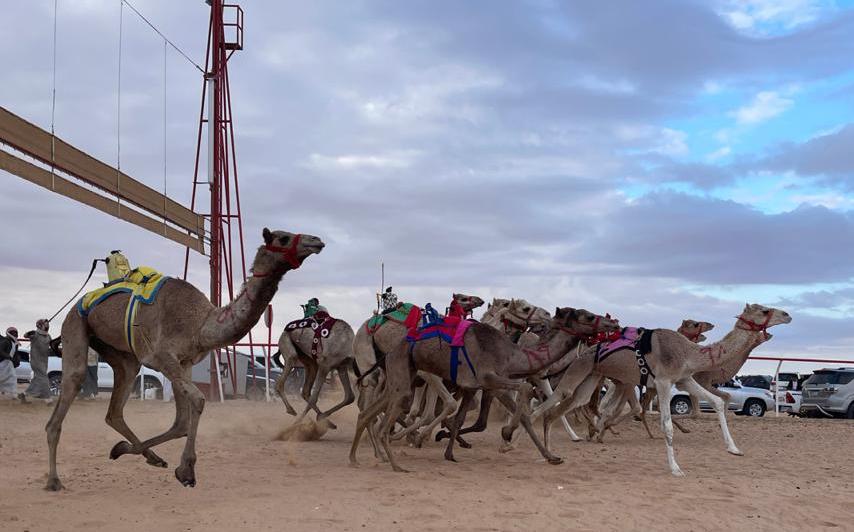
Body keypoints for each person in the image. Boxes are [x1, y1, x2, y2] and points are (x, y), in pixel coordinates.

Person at [19, 319, 52, 403]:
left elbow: (51, 345)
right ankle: (48, 399)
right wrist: (29, 333)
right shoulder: (35, 334)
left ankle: (24, 394)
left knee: (37, 379)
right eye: (45, 324)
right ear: (40, 325)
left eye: (48, 324)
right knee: (44, 378)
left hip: (44, 361)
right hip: (36, 361)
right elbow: (25, 335)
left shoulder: (48, 336)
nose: (47, 326)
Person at [0, 327, 21, 400]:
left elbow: (15, 354)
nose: (15, 334)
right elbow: (0, 351)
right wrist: (8, 356)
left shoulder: (16, 343)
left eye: (16, 332)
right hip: (2, 363)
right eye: (13, 332)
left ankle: (14, 395)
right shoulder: (5, 341)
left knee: (13, 378)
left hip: (9, 363)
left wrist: (16, 361)